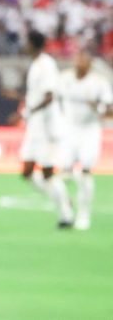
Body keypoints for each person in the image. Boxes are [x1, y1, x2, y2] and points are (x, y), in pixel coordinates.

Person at [17, 29, 74, 228]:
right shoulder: (35, 65)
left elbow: (49, 96)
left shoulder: (46, 65)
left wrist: (28, 111)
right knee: (27, 172)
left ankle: (65, 214)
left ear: (33, 44)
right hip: (35, 127)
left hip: (49, 128)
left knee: (48, 172)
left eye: (27, 42)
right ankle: (63, 199)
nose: (24, 46)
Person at [58, 48, 113, 230]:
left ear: (90, 63)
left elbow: (109, 111)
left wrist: (97, 107)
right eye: (77, 59)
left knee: (85, 172)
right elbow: (54, 99)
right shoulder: (65, 79)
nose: (79, 63)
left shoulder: (99, 82)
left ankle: (84, 214)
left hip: (89, 131)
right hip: (68, 129)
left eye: (83, 59)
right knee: (63, 174)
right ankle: (67, 208)